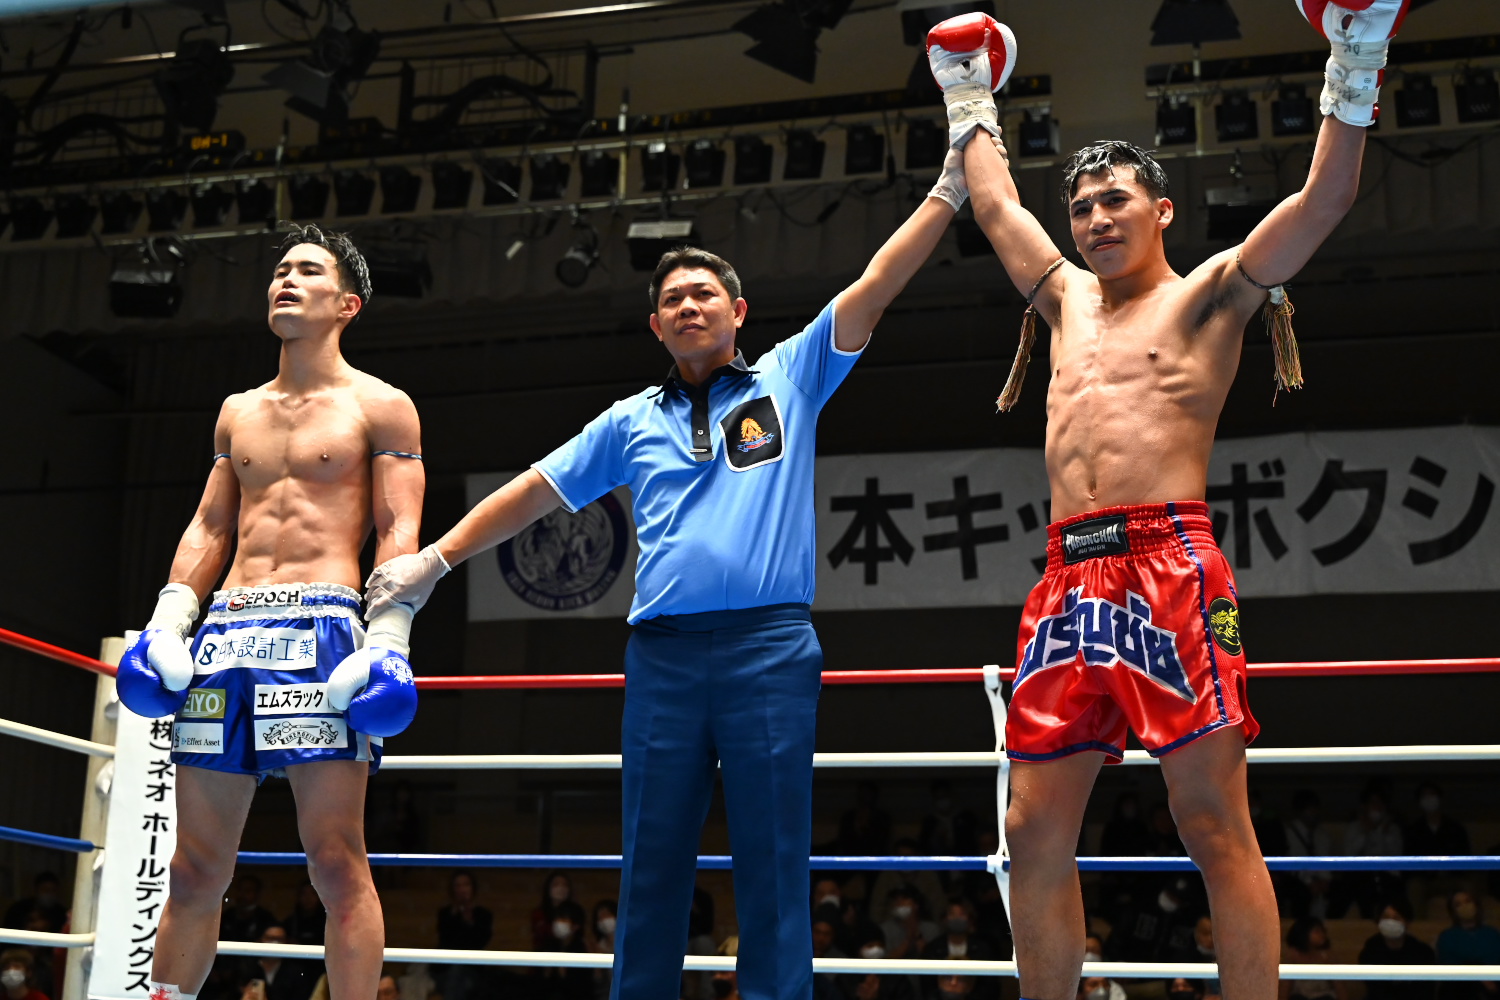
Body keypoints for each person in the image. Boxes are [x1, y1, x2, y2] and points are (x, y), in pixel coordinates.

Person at [364, 143, 974, 1000]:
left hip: (769, 648)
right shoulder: (625, 421)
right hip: (663, 658)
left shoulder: (791, 376)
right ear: (655, 325)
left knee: (773, 857)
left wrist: (948, 193)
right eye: (671, 300)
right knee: (651, 859)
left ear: (737, 310)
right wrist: (436, 560)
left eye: (702, 294)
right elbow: (536, 490)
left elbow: (876, 282)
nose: (688, 306)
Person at [929, 3, 1411, 999]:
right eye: (1084, 207)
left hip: (1169, 565)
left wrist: (1355, 55)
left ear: (1161, 212)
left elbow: (1323, 200)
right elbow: (993, 207)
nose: (1097, 219)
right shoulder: (1061, 301)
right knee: (1029, 827)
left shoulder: (1209, 295)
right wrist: (966, 89)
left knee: (1208, 819)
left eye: (1115, 200)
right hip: (1067, 575)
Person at [111, 223, 423, 1000]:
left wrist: (389, 638)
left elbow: (398, 530)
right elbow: (211, 526)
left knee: (334, 858)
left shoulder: (383, 407)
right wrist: (167, 622)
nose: (285, 279)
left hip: (322, 630)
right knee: (193, 866)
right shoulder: (237, 411)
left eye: (306, 271)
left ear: (346, 303)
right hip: (225, 634)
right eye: (279, 269)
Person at [1358, 899, 1436, 1000]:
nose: (1390, 922)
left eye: (1396, 918)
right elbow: (1376, 990)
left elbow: (1425, 991)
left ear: (1407, 922)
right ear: (1378, 921)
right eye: (1386, 917)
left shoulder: (1423, 953)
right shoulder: (1369, 952)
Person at [436, 870, 493, 1000]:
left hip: (473, 968)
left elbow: (481, 941)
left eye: (466, 885)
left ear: (473, 888)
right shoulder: (445, 914)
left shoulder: (483, 914)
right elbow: (445, 941)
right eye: (458, 885)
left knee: (462, 979)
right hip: (446, 968)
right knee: (457, 975)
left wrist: (469, 920)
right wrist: (455, 914)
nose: (462, 889)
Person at [1435, 890, 1500, 1000]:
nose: (1464, 906)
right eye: (1458, 904)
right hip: (1459, 990)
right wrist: (1480, 976)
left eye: (1468, 901)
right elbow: (1450, 968)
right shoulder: (1447, 937)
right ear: (1453, 911)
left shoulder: (1493, 934)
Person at [1284, 791, 1335, 918]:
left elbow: (1325, 860)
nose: (1313, 813)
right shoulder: (1287, 834)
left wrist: (1325, 880)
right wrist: (1309, 882)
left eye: (1315, 809)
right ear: (1300, 811)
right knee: (1299, 893)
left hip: (1320, 881)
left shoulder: (1322, 835)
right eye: (1309, 809)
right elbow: (1291, 863)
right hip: (1298, 880)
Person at [239, 925, 316, 1000]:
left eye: (279, 939)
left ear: (287, 942)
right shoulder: (246, 969)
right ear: (260, 940)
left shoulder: (297, 973)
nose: (274, 943)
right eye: (270, 938)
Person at [1279, 917, 1345, 1000]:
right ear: (1304, 934)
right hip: (1300, 996)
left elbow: (1338, 984)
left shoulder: (1327, 955)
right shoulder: (1293, 955)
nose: (1322, 934)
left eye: (1323, 931)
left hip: (1323, 996)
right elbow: (1286, 985)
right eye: (1317, 931)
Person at [539, 902, 592, 1000]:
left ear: (576, 925)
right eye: (556, 919)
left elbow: (583, 987)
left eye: (563, 919)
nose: (558, 923)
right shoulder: (550, 946)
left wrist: (564, 974)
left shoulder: (582, 948)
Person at [532, 872, 579, 950]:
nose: (561, 888)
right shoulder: (539, 914)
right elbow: (540, 937)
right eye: (556, 884)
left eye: (564, 885)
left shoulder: (577, 912)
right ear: (548, 889)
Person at [591, 900, 619, 1000]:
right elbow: (597, 979)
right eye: (599, 918)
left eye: (606, 915)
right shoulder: (599, 946)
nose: (603, 920)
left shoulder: (628, 941)